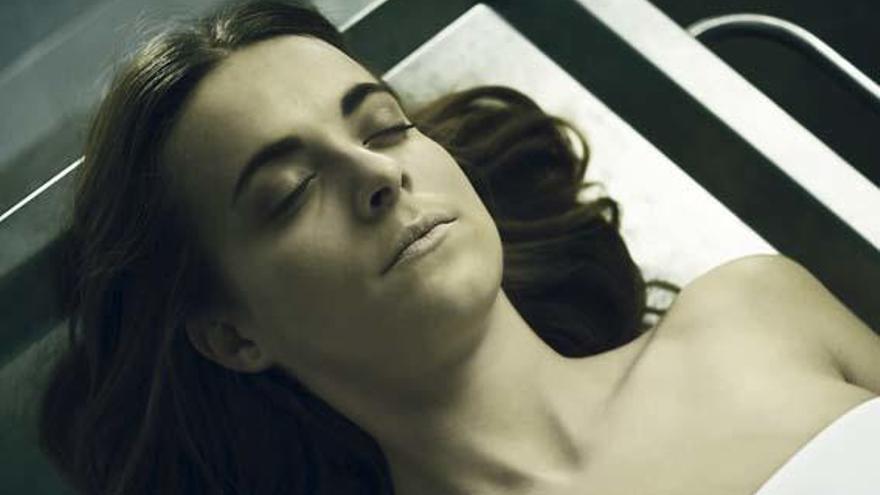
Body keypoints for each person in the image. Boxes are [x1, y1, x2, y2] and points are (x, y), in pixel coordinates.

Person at [36, 0, 880, 494]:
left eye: (384, 126)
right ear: (233, 334)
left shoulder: (758, 313)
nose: (377, 174)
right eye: (289, 191)